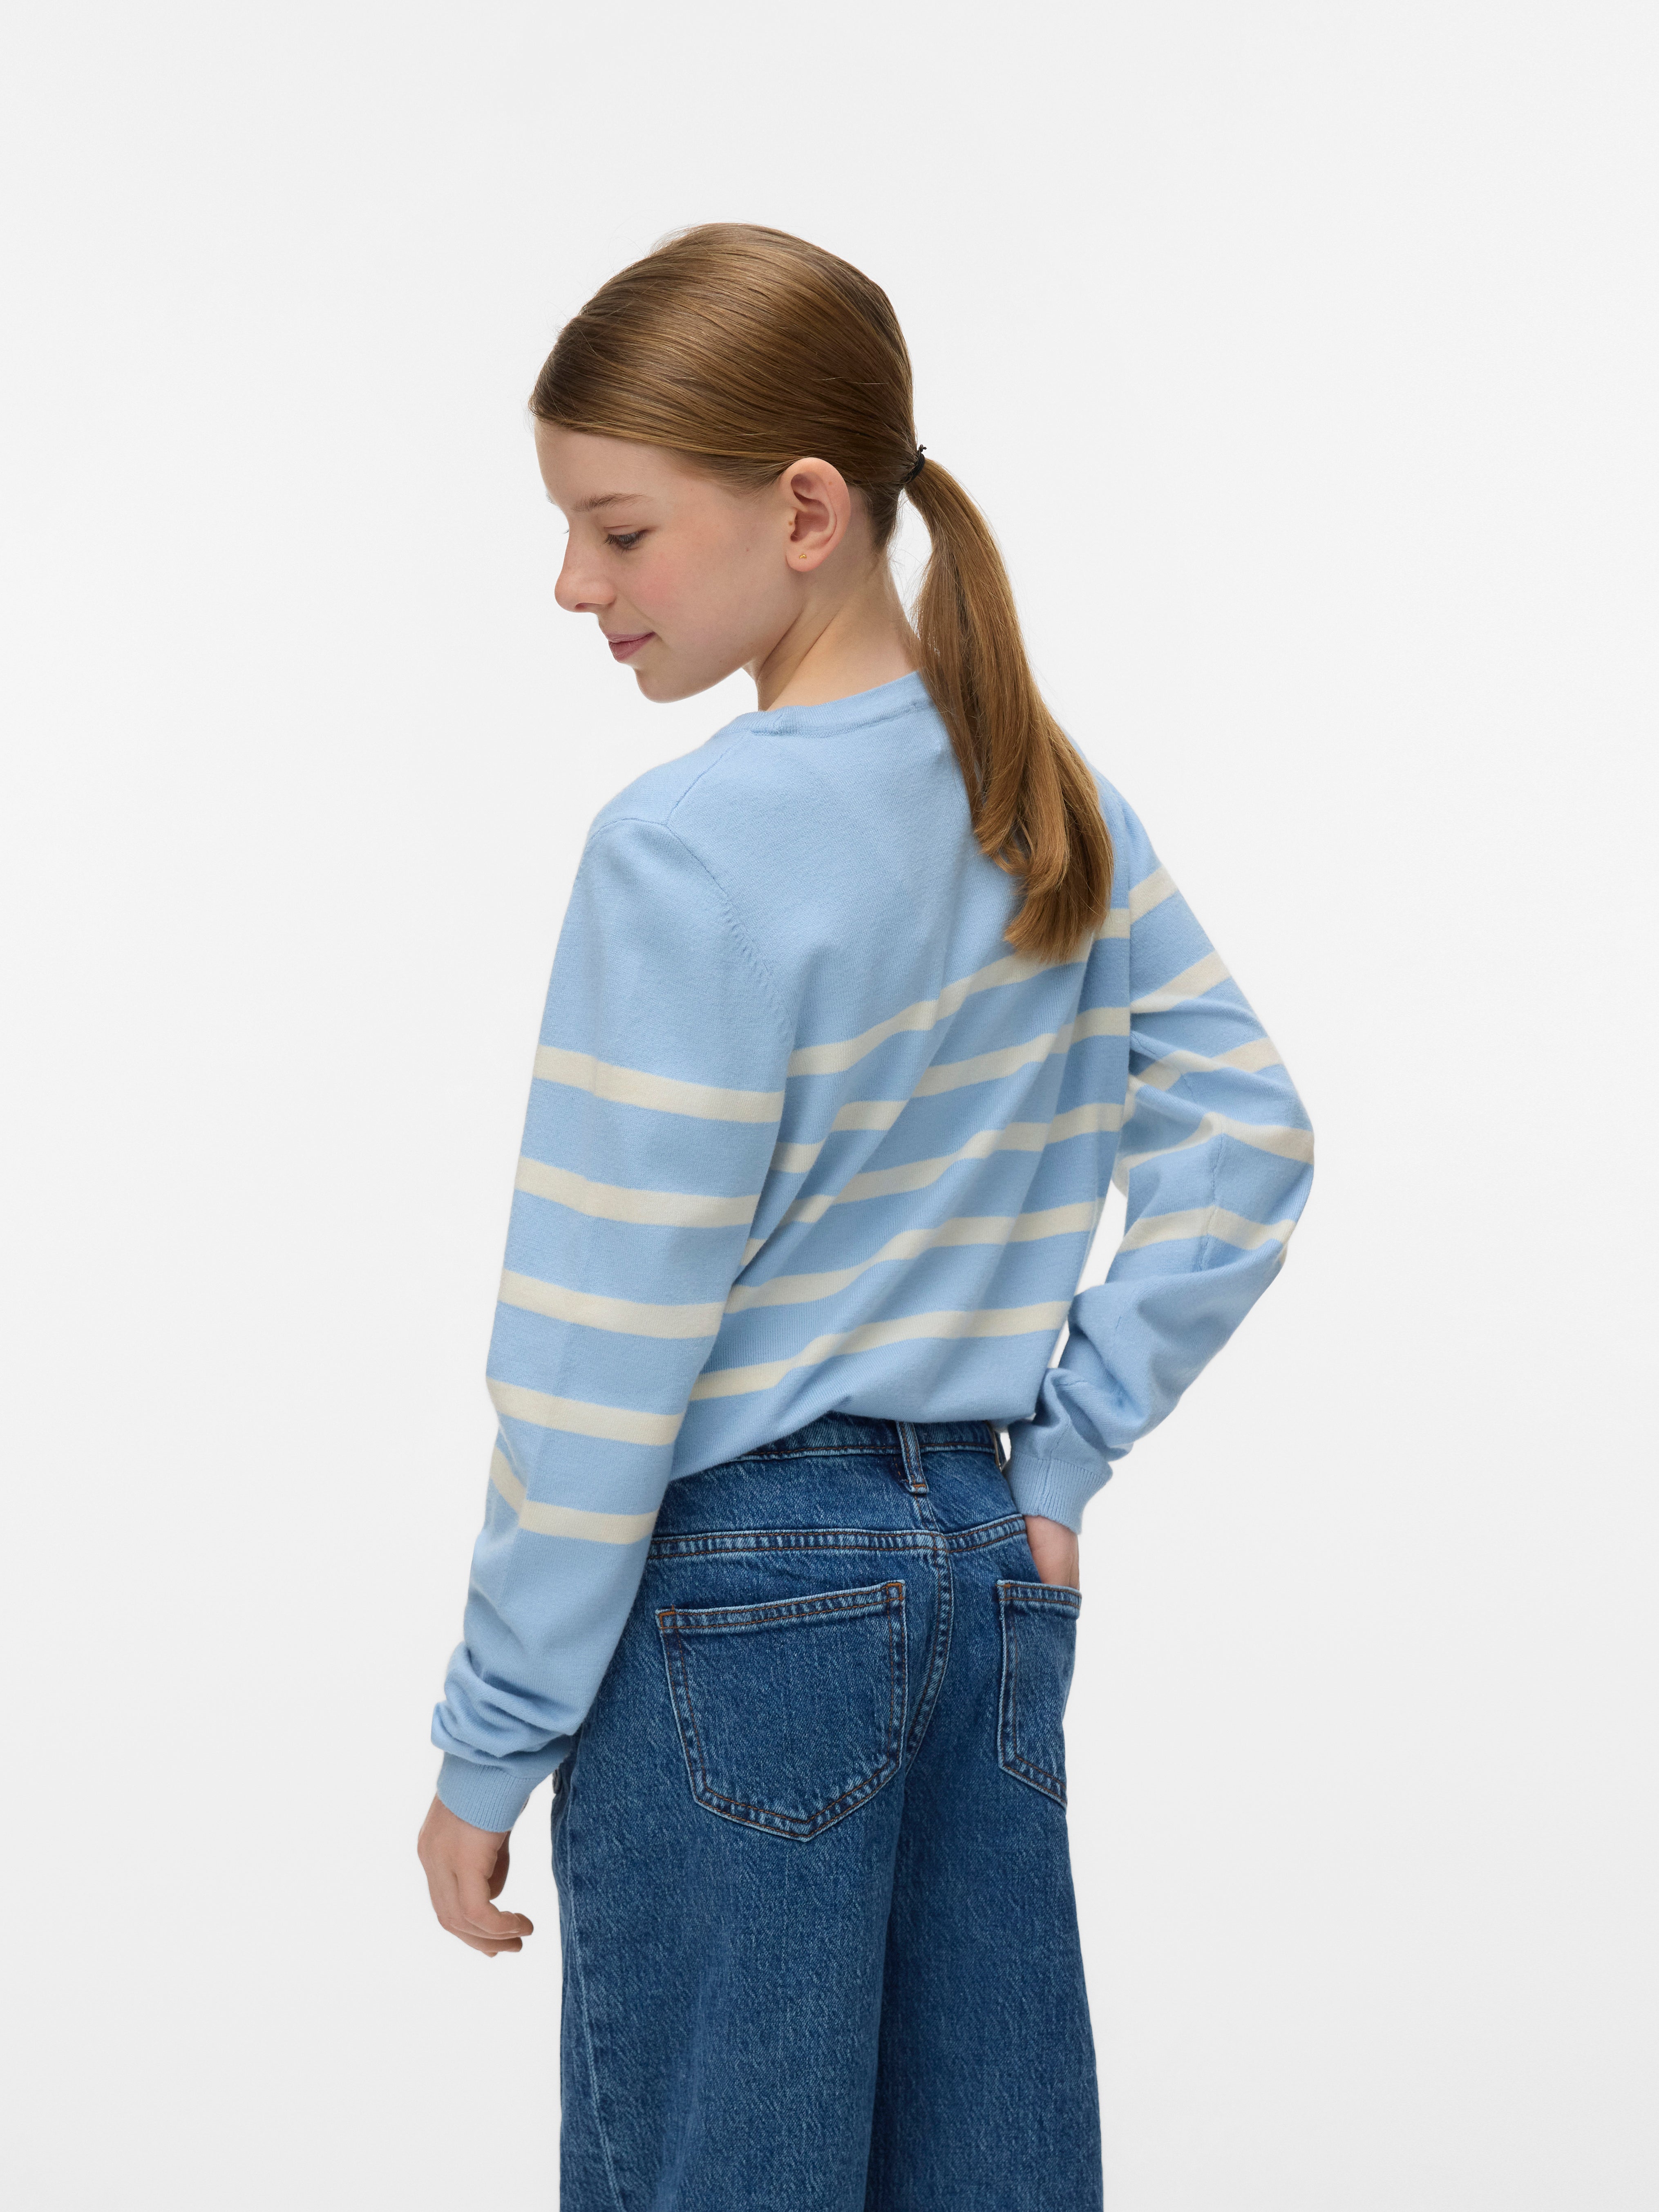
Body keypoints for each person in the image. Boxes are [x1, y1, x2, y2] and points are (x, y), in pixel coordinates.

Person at [417, 223, 1314, 2210]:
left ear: (806, 511)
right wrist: (1053, 1463)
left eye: (617, 530)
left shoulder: (683, 849)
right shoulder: (1043, 795)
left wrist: (491, 1737)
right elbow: (1246, 1135)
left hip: (736, 1601)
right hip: (985, 1578)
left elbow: (598, 1355)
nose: (574, 583)